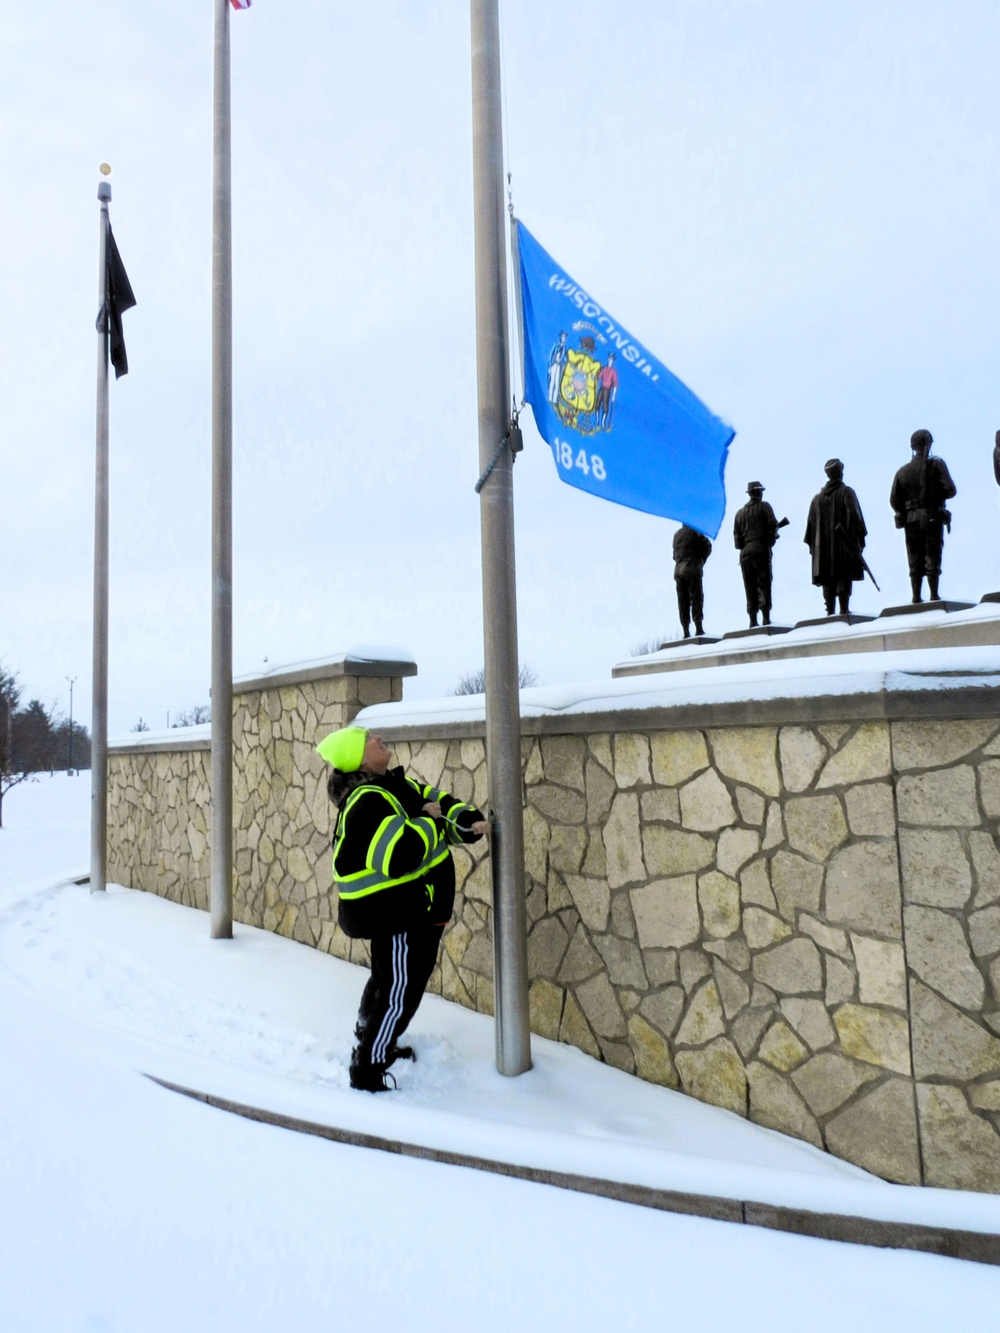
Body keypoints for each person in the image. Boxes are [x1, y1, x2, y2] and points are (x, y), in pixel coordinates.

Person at [317, 725, 489, 1092]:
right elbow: (400, 853)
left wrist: (465, 822)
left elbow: (438, 803)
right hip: (396, 914)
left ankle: (371, 1034)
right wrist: (429, 820)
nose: (378, 739)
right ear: (361, 758)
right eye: (369, 740)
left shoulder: (395, 787)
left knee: (390, 982)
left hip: (415, 911)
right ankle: (368, 1068)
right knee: (399, 990)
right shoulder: (367, 802)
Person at [889, 429, 957, 603]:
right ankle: (933, 594)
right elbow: (950, 490)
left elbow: (894, 500)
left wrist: (906, 511)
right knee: (932, 555)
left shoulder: (902, 472)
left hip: (911, 520)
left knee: (914, 558)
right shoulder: (937, 464)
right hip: (932, 516)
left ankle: (916, 596)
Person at [803, 459, 868, 615]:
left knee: (828, 580)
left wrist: (817, 549)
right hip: (842, 548)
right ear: (840, 473)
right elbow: (855, 517)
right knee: (843, 577)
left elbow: (810, 533)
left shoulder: (816, 499)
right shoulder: (847, 493)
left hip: (823, 552)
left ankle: (830, 612)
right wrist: (857, 542)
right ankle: (843, 610)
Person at [733, 481, 780, 626]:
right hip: (760, 550)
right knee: (764, 583)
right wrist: (772, 536)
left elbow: (737, 543)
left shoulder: (739, 514)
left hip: (745, 554)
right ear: (758, 493)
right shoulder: (764, 507)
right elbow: (773, 525)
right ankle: (765, 617)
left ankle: (752, 619)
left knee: (749, 586)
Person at [672, 524, 712, 637]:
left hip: (678, 570)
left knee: (682, 601)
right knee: (696, 597)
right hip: (692, 567)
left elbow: (674, 556)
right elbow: (707, 546)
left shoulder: (677, 535)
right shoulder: (696, 532)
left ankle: (686, 630)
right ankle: (698, 627)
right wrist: (701, 560)